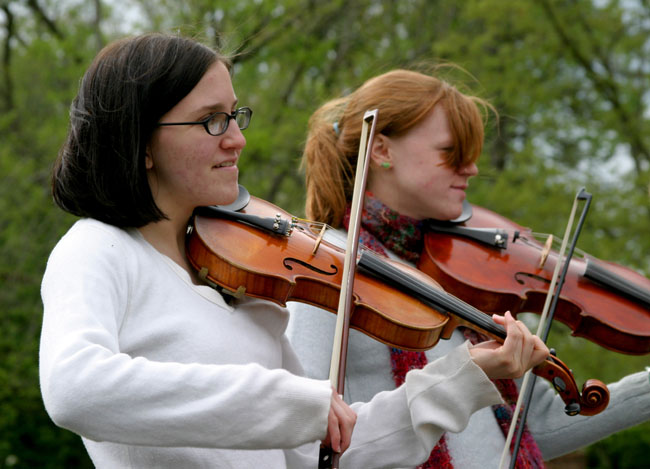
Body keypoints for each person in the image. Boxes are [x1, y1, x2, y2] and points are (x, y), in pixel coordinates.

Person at [38, 34, 550, 469]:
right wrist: (286, 402)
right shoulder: (98, 248)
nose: (237, 139)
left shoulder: (233, 280)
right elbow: (75, 389)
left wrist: (462, 379)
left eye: (235, 115)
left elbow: (326, 454)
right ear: (141, 141)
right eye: (212, 120)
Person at [287, 68, 650, 468]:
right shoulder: (332, 264)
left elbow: (534, 430)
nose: (471, 168)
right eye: (451, 153)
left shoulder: (461, 271)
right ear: (382, 150)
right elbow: (301, 442)